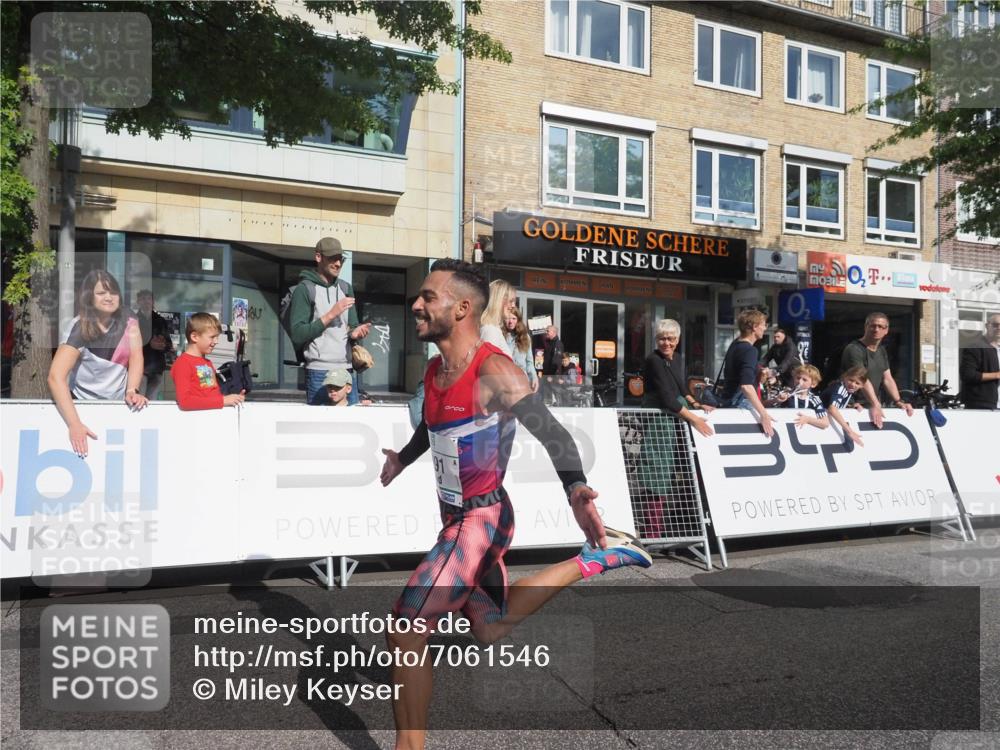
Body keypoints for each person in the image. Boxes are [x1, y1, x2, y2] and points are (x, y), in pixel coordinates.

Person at [379, 259, 651, 750]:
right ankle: (593, 561)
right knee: (490, 629)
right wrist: (404, 457)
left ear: (462, 308)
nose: (416, 304)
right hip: (465, 517)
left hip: (477, 522)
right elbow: (433, 425)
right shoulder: (438, 366)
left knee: (405, 631)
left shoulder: (494, 370)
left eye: (428, 297)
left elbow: (553, 433)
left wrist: (576, 491)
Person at [48, 270, 148, 457]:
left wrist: (132, 390)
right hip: (82, 406)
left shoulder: (129, 318)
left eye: (113, 292)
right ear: (88, 297)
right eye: (101, 293)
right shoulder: (78, 328)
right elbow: (56, 377)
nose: (109, 297)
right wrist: (74, 424)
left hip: (118, 405)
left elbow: (136, 356)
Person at [288, 237, 371, 406]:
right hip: (318, 371)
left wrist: (355, 333)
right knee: (319, 428)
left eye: (340, 259)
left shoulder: (346, 288)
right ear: (318, 257)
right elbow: (297, 334)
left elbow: (352, 327)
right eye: (333, 258)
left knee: (349, 428)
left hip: (346, 369)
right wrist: (331, 314)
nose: (338, 264)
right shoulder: (305, 290)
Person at [642, 319, 714, 438]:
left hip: (676, 412)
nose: (666, 343)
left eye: (670, 338)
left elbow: (681, 387)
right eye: (662, 338)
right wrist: (695, 420)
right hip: (658, 416)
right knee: (660, 454)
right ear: (656, 340)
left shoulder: (677, 358)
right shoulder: (654, 360)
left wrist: (696, 404)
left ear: (677, 340)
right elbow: (667, 398)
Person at [840, 312, 913, 428]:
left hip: (870, 405)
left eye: (880, 327)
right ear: (866, 327)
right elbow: (862, 379)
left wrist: (898, 401)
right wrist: (876, 404)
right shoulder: (854, 349)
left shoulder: (881, 350)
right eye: (872, 326)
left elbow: (887, 378)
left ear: (886, 330)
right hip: (852, 406)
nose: (876, 329)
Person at [170, 313, 245, 411]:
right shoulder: (183, 363)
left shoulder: (207, 362)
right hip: (197, 421)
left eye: (217, 337)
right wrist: (223, 401)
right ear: (194, 336)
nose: (216, 341)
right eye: (212, 337)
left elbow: (212, 394)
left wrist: (234, 399)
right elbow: (185, 401)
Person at [718, 309, 775, 437]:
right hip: (742, 405)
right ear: (755, 327)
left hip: (728, 401)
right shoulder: (750, 350)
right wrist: (764, 414)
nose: (765, 328)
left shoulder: (734, 345)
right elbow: (746, 386)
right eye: (764, 324)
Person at [134, 289, 175, 400]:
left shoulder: (160, 320)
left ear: (153, 302)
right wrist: (149, 345)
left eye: (149, 299)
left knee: (152, 402)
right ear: (138, 302)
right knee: (139, 400)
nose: (146, 301)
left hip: (157, 368)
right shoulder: (133, 320)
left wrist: (163, 345)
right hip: (140, 368)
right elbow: (129, 345)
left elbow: (168, 344)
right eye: (143, 299)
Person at [959, 312, 1000, 410]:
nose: (999, 327)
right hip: (982, 405)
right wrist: (997, 375)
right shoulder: (974, 347)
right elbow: (967, 375)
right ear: (987, 326)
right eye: (995, 325)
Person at [821, 366, 868, 446]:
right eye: (851, 380)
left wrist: (851, 406)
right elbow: (832, 409)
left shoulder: (847, 390)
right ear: (845, 377)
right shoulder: (840, 388)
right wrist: (850, 431)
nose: (853, 384)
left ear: (862, 386)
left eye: (857, 383)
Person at [776, 364, 830, 430]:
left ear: (813, 384)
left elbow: (825, 423)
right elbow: (766, 405)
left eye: (804, 380)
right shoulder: (786, 393)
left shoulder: (814, 399)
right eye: (798, 378)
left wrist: (807, 419)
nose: (800, 381)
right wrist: (776, 400)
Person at [504, 308, 539, 393]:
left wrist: (534, 377)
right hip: (504, 382)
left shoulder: (525, 337)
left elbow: (529, 362)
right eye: (508, 318)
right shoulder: (500, 336)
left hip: (521, 382)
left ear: (518, 320)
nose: (510, 321)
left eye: (514, 318)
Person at [479, 278, 517, 356]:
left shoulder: (493, 327)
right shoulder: (490, 329)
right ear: (499, 301)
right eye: (510, 301)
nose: (513, 306)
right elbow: (489, 366)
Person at [541, 324, 564, 406]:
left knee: (555, 394)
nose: (546, 332)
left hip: (553, 375)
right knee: (548, 396)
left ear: (554, 332)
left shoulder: (557, 344)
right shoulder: (549, 343)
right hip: (547, 374)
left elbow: (556, 361)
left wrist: (551, 375)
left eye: (548, 331)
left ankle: (558, 409)